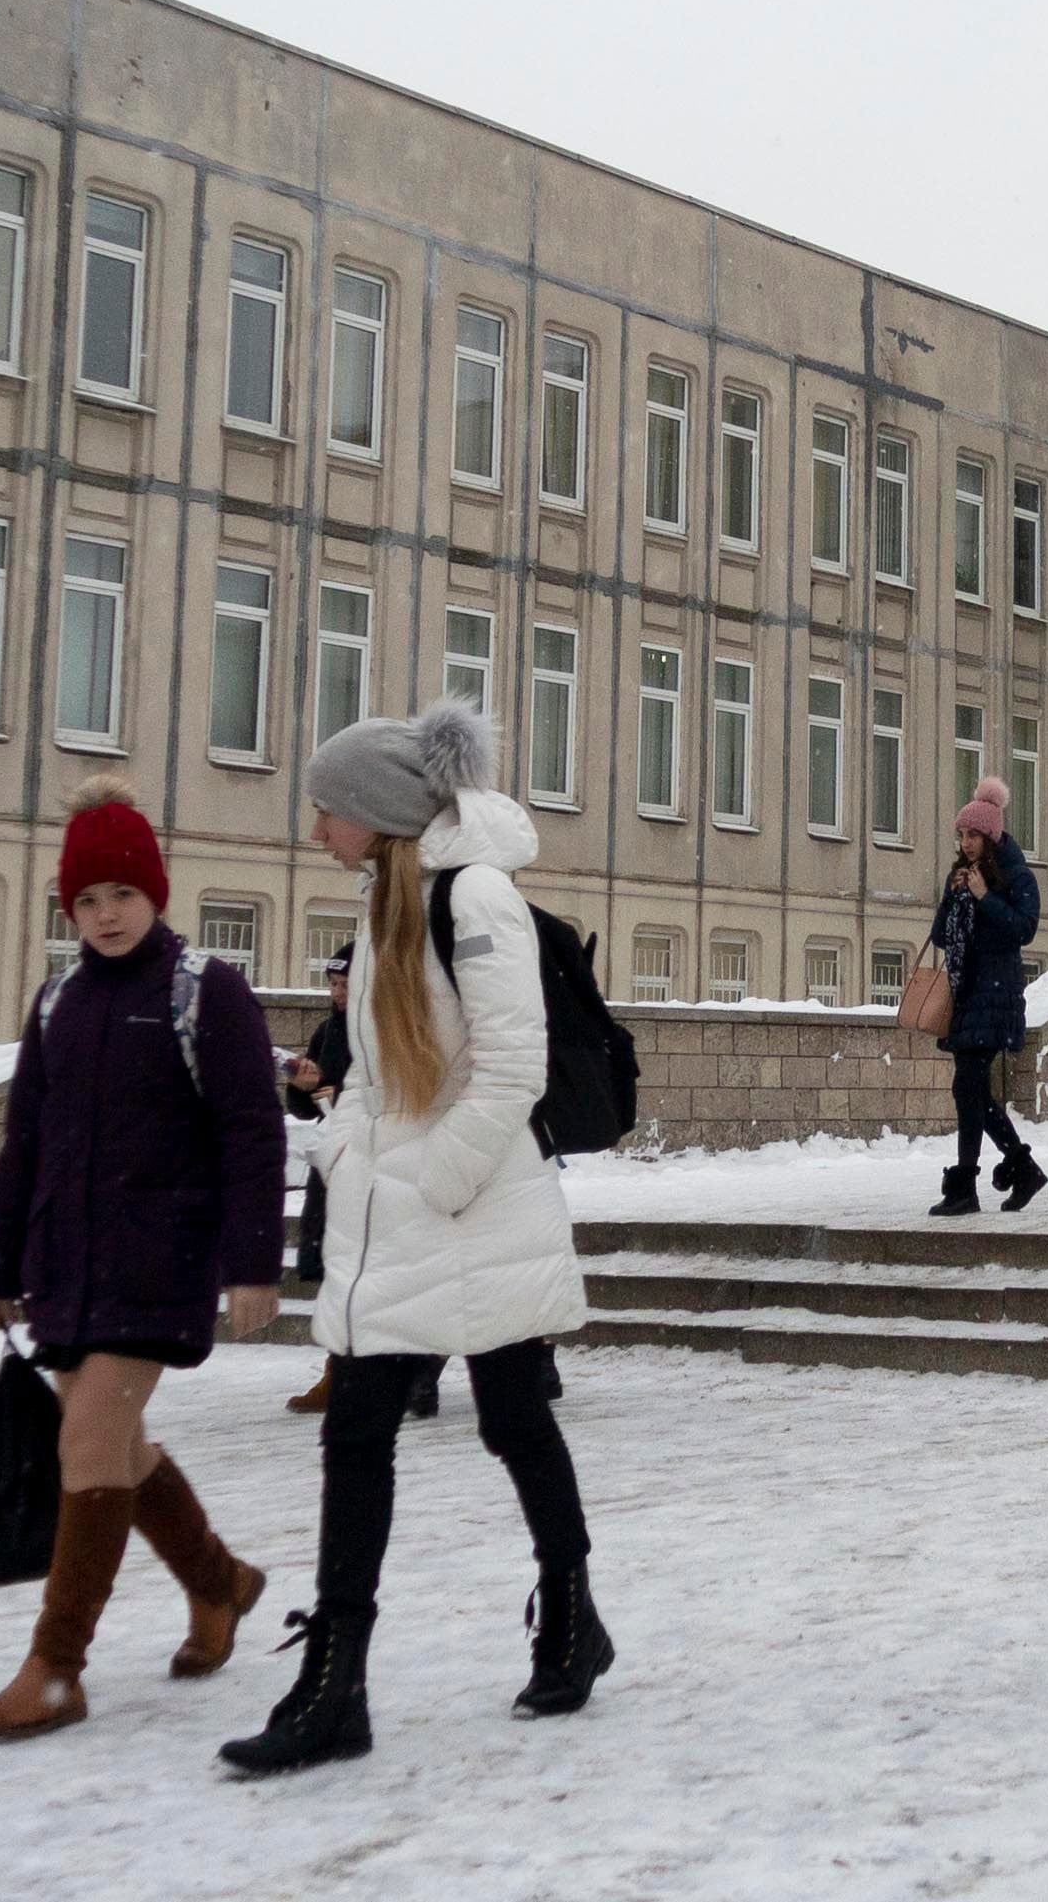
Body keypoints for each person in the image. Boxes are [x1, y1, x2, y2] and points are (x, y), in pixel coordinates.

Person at [223, 704, 611, 1775]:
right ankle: (335, 1682)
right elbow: (381, 1077)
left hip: (471, 1210)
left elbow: (512, 1067)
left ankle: (571, 1617)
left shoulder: (474, 896)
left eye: (327, 809)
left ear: (380, 814)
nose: (316, 830)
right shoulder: (387, 904)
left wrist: (432, 1180)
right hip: (404, 1215)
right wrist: (347, 1147)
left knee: (514, 1419)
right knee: (356, 1435)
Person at [0, 775, 285, 1742]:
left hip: (161, 1256)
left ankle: (56, 1667)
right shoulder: (58, 998)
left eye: (123, 896)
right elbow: (25, 1137)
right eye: (88, 900)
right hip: (69, 1256)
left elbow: (249, 1130)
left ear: (158, 895)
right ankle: (220, 1582)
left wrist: (253, 1263)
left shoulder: (205, 992)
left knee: (91, 1442)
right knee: (114, 1444)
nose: (106, 916)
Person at [926, 778, 1046, 1216]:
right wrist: (954, 898)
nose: (966, 842)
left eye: (973, 834)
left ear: (991, 835)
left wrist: (983, 897)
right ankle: (1020, 1167)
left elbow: (1023, 930)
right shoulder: (960, 876)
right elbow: (941, 936)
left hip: (996, 995)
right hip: (966, 993)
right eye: (961, 835)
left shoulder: (1017, 876)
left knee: (968, 1086)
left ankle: (966, 1187)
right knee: (970, 1089)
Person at [282, 946, 355, 1417]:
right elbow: (304, 1108)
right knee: (333, 1269)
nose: (337, 993)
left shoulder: (380, 1031)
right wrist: (304, 1086)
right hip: (331, 1165)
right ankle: (339, 1370)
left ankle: (361, 1373)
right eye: (332, 985)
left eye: (346, 984)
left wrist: (344, 1096)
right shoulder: (328, 1031)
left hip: (368, 1165)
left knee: (357, 1271)